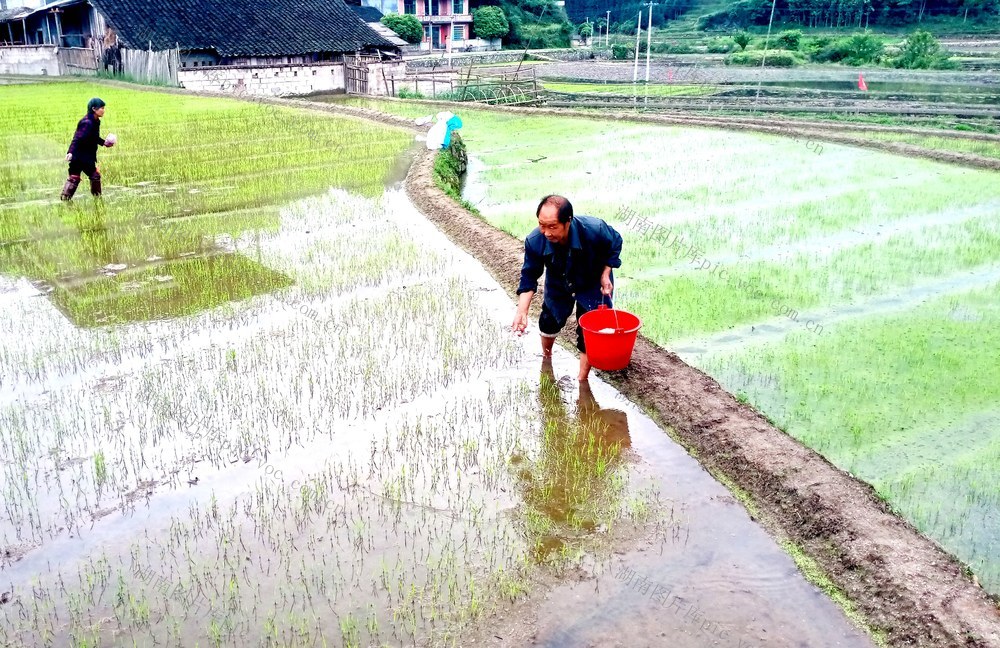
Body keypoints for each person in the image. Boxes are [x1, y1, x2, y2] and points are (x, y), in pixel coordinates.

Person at [512, 195, 623, 382]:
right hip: (559, 281)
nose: (546, 232)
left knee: (589, 330)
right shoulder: (535, 240)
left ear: (568, 222)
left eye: (552, 226)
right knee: (549, 320)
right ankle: (547, 358)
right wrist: (521, 311)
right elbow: (529, 276)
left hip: (592, 281)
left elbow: (615, 242)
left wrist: (605, 273)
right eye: (541, 224)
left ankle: (582, 380)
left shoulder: (595, 229)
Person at [62, 97, 114, 200]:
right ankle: (66, 199)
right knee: (75, 178)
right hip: (79, 156)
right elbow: (77, 138)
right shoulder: (87, 122)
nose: (103, 110)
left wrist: (104, 143)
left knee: (93, 176)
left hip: (87, 156)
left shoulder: (95, 121)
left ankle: (97, 199)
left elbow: (93, 137)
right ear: (94, 109)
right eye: (101, 108)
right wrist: (70, 152)